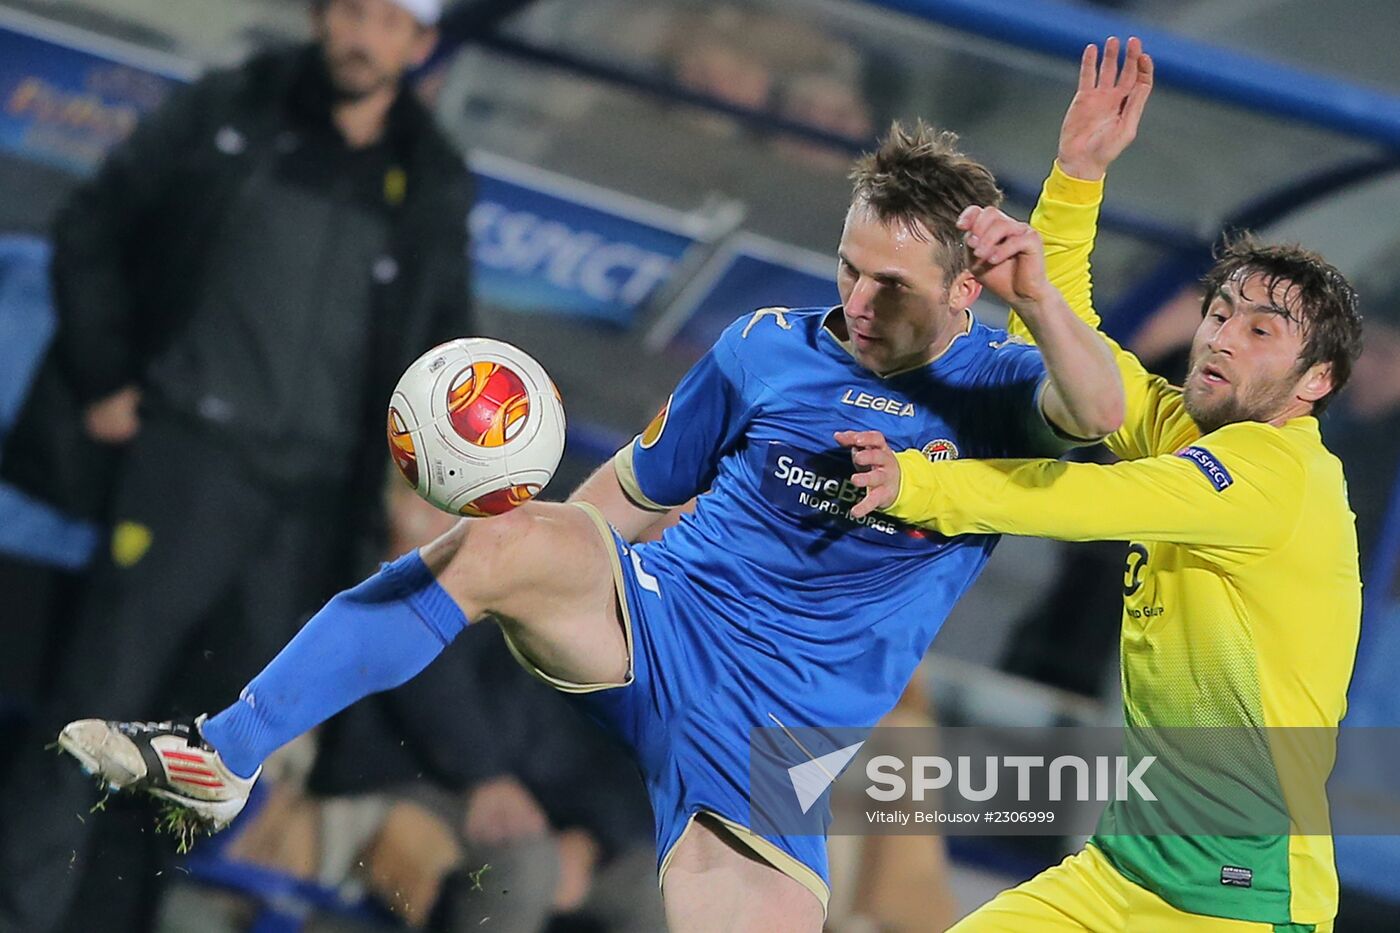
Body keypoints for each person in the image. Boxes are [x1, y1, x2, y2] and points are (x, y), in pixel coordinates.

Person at [58, 119, 1126, 931]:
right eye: (846, 267)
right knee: (509, 542)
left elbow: (1100, 411)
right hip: (659, 622)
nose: (855, 300)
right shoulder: (762, 345)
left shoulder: (1001, 385)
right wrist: (524, 563)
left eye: (888, 285)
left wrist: (1040, 298)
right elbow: (635, 489)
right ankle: (221, 752)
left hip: (769, 750)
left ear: (964, 289)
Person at [841, 37, 1362, 931]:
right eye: (1220, 313)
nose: (1222, 337)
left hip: (1240, 897)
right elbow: (1082, 348)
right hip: (1121, 871)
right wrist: (1077, 175)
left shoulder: (1274, 474)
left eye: (1262, 331)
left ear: (1316, 382)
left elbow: (1085, 500)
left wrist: (926, 486)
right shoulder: (1189, 431)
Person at [0, 1, 472, 930]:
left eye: (387, 19)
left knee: (203, 756)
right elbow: (92, 226)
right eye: (349, 10)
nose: (361, 34)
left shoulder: (432, 179)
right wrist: (103, 375)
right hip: (187, 466)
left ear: (419, 45)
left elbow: (439, 345)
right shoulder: (231, 107)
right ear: (318, 16)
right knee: (94, 713)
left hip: (308, 512)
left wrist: (423, 485)